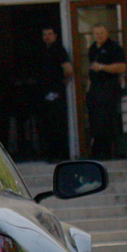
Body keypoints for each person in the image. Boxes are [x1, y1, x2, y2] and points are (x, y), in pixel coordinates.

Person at [85, 24, 127, 159]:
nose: (99, 36)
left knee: (108, 120)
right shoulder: (92, 49)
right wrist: (88, 89)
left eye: (101, 33)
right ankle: (98, 152)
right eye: (96, 33)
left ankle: (112, 152)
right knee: (95, 121)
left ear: (107, 33)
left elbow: (121, 67)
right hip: (95, 89)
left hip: (109, 87)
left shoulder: (114, 48)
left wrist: (103, 67)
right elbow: (91, 71)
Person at [35, 26, 74, 161]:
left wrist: (62, 83)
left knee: (57, 123)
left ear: (55, 36)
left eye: (50, 34)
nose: (47, 37)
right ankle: (49, 154)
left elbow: (68, 69)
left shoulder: (59, 50)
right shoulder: (42, 51)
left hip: (56, 91)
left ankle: (60, 154)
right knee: (47, 123)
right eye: (45, 34)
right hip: (44, 91)